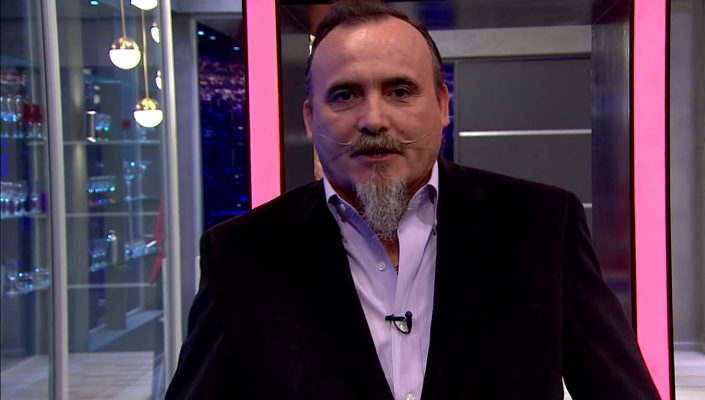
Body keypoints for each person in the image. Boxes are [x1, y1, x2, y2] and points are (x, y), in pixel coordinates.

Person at [166, 1, 662, 399]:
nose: (374, 119)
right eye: (344, 95)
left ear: (443, 105)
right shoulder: (240, 255)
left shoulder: (542, 227)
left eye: (400, 91)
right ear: (310, 119)